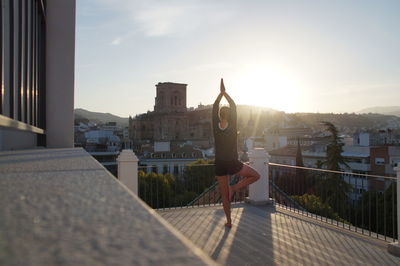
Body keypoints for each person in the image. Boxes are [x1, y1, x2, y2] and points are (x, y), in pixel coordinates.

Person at [212, 78, 261, 228]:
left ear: (220, 115)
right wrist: (225, 93)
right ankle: (235, 187)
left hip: (219, 163)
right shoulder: (233, 125)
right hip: (233, 162)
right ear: (229, 115)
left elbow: (215, 106)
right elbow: (233, 105)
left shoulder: (215, 124)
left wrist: (220, 95)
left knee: (225, 196)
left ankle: (229, 221)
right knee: (256, 175)